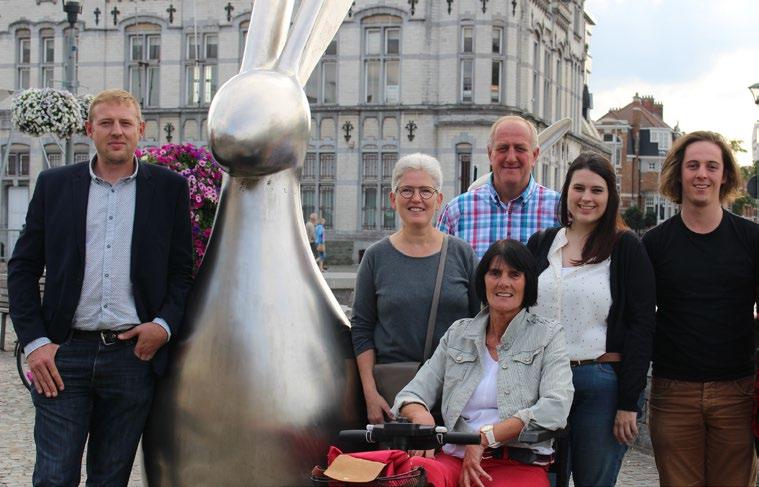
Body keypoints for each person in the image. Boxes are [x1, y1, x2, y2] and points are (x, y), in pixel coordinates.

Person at [8, 89, 194, 486]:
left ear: (140, 130)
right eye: (106, 123)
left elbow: (182, 272)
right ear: (90, 129)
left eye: (125, 123)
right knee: (53, 477)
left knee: (110, 479)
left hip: (132, 359)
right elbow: (22, 267)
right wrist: (36, 342)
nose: (116, 131)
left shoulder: (169, 189)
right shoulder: (55, 186)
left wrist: (162, 326)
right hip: (63, 357)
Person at [391, 239, 573, 487]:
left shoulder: (548, 335)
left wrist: (485, 438)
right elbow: (410, 394)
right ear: (483, 280)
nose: (503, 283)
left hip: (515, 462)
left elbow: (556, 407)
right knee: (412, 475)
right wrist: (422, 416)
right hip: (453, 458)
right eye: (495, 273)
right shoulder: (458, 334)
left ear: (528, 282)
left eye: (514, 274)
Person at [527, 152, 656, 486]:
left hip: (599, 382)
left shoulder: (626, 248)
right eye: (579, 188)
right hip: (542, 384)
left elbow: (642, 327)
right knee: (540, 479)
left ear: (609, 196)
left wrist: (629, 403)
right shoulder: (542, 244)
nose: (586, 198)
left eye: (597, 190)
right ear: (566, 191)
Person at [642, 131, 758, 486]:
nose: (701, 174)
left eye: (712, 166)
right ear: (679, 173)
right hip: (673, 393)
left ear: (725, 176)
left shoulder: (752, 239)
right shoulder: (655, 244)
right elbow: (640, 318)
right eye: (693, 165)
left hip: (738, 391)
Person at [352, 153, 480, 424]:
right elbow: (362, 329)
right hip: (394, 395)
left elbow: (480, 324)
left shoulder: (462, 254)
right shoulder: (375, 257)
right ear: (392, 199)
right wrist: (370, 393)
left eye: (425, 191)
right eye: (406, 190)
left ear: (439, 199)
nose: (416, 199)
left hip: (453, 390)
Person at [438, 115, 560, 258]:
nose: (511, 158)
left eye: (520, 149)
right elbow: (440, 273)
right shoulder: (456, 212)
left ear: (535, 155)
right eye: (503, 148)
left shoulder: (558, 211)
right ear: (490, 154)